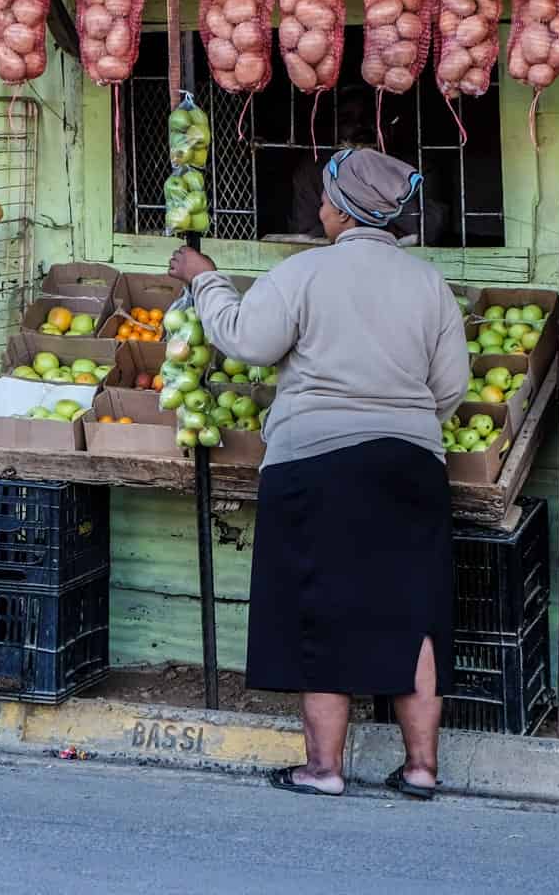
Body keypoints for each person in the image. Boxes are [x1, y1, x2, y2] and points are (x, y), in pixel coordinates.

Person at [170, 146, 470, 800]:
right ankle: (421, 768)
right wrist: (400, 417)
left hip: (316, 464)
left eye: (327, 198)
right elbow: (450, 387)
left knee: (322, 608)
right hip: (410, 466)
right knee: (415, 613)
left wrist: (205, 279)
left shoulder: (303, 274)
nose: (321, 207)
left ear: (340, 211)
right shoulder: (430, 285)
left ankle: (324, 770)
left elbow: (246, 340)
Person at [285, 94, 448, 244]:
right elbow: (304, 235)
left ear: (387, 123)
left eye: (370, 117)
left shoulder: (417, 166)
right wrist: (385, 226)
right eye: (346, 119)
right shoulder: (313, 168)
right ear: (333, 128)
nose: (360, 125)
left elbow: (428, 230)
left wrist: (347, 224)